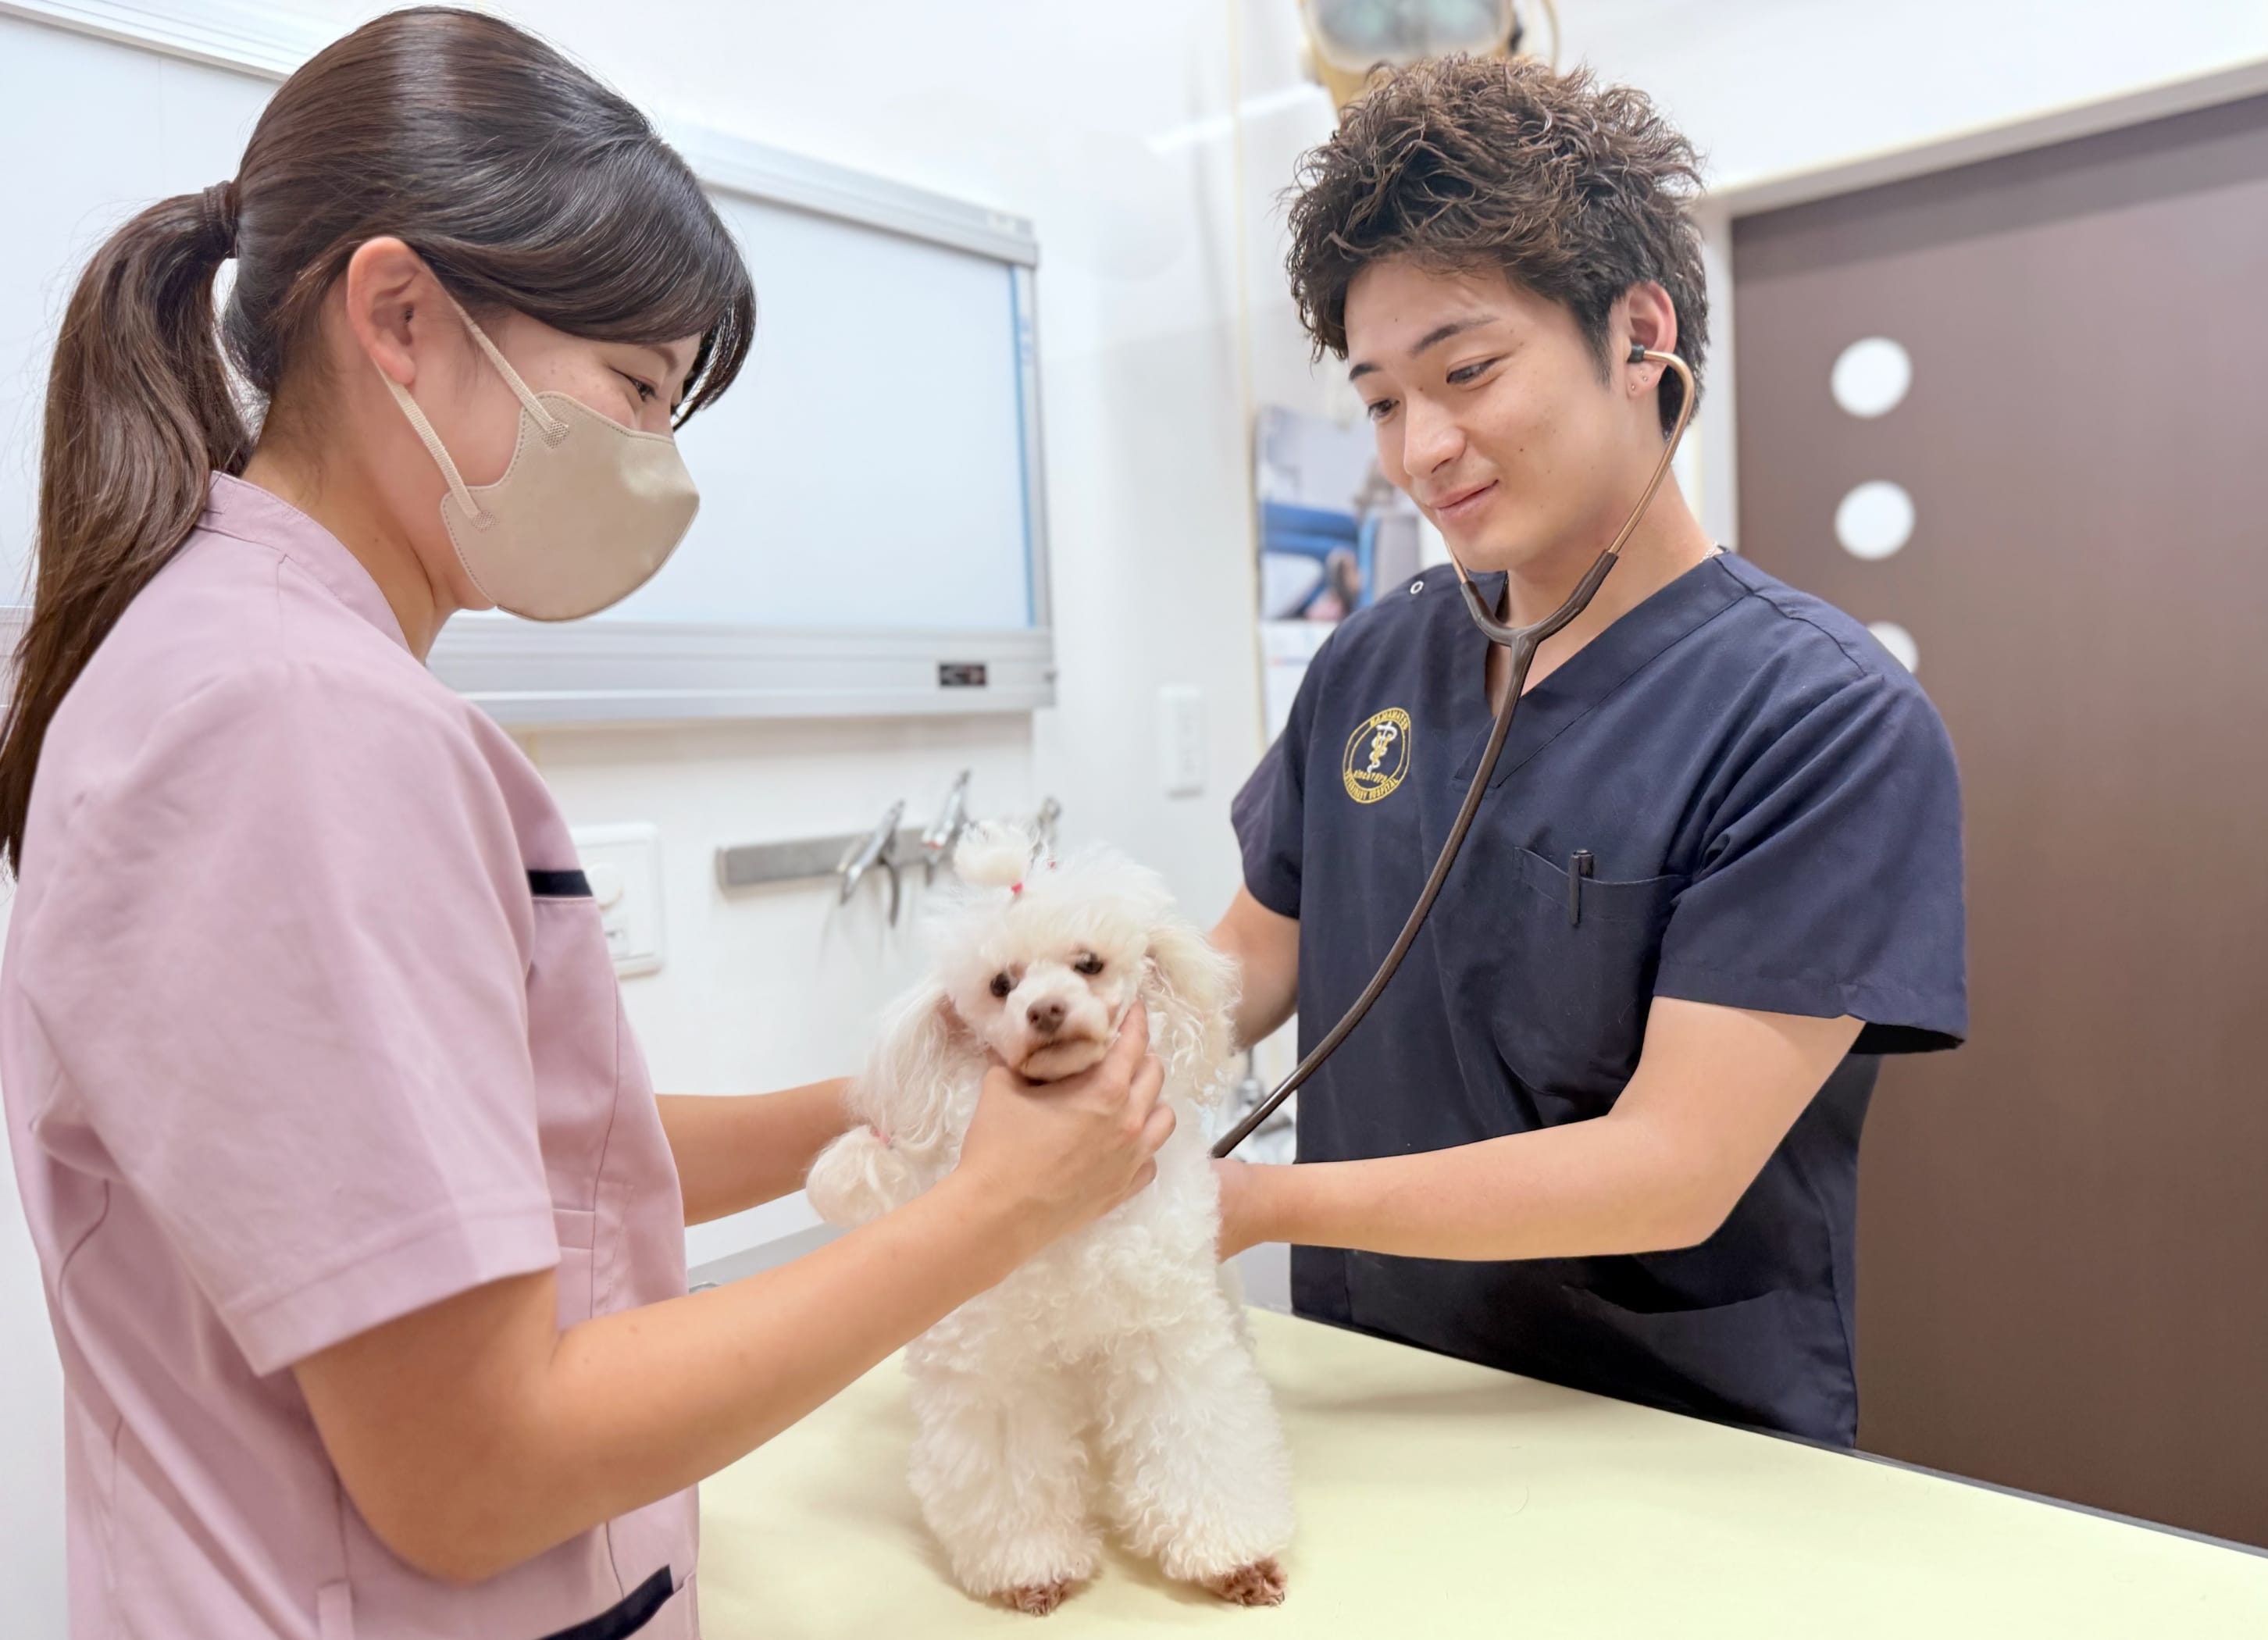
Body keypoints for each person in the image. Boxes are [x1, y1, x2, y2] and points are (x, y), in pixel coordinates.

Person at [0, 11, 1171, 1638]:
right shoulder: (288, 721)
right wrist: (991, 1216)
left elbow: (500, 1173)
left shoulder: (237, 664)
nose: (657, 465)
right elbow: (476, 1465)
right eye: (632, 388)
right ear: (397, 316)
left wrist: (893, 1101)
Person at [1209, 57, 1967, 1447]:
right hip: (1361, 1397)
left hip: (1665, 1439)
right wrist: (1052, 1021)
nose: (1422, 446)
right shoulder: (1371, 665)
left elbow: (1674, 1168)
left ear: (1639, 334)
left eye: (1468, 370)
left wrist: (1246, 1206)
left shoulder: (1819, 719)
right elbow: (1247, 965)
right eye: (1381, 401)